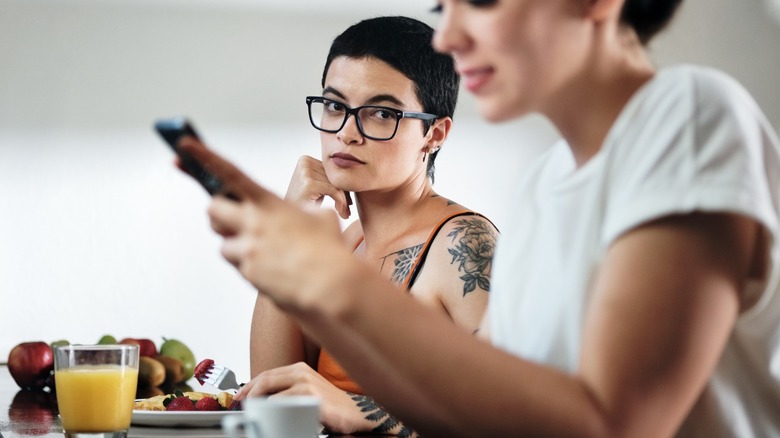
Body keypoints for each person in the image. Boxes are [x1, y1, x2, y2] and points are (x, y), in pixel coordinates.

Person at [180, 0, 780, 436]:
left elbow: (614, 424)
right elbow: (480, 410)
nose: (449, 36)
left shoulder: (688, 115)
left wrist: (335, 287)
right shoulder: (546, 183)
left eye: (483, 2)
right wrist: (293, 273)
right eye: (445, 7)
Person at [233, 16, 497, 436]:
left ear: (435, 134)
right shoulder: (348, 244)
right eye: (335, 106)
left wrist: (361, 411)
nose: (346, 132)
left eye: (381, 113)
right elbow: (275, 398)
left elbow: (516, 417)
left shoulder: (461, 244)